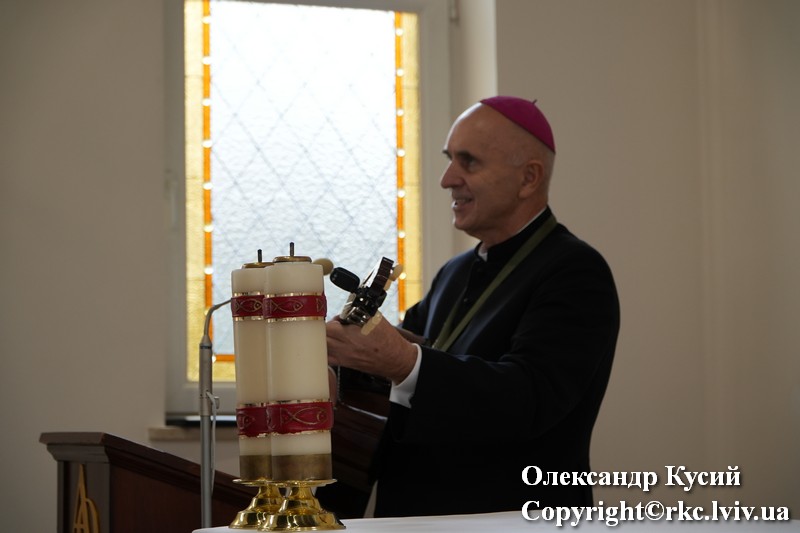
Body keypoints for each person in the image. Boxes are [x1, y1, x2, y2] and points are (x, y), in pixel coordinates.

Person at [326, 96, 620, 517]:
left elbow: (530, 398)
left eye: (469, 162)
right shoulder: (455, 271)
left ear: (528, 178)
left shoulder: (575, 270)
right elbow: (409, 364)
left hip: (514, 519)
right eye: (450, 159)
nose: (447, 179)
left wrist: (401, 359)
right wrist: (344, 355)